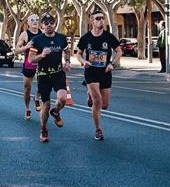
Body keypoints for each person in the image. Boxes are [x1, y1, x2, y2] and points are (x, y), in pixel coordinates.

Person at [76, 9, 122, 141]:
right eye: (98, 18)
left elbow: (119, 51)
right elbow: (78, 54)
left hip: (105, 72)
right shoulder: (86, 38)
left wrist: (112, 63)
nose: (101, 20)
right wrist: (83, 61)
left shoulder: (109, 37)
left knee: (105, 105)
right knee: (97, 101)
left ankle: (90, 94)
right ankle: (98, 129)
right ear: (92, 21)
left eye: (102, 18)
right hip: (91, 72)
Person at [29, 13, 71, 142]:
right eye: (46, 23)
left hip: (58, 73)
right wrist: (41, 55)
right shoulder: (37, 40)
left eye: (51, 23)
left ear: (55, 24)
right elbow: (31, 59)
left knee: (63, 98)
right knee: (45, 105)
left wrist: (67, 61)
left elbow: (67, 50)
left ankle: (56, 111)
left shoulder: (61, 38)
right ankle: (43, 129)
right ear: (42, 25)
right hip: (43, 75)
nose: (49, 25)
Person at [15, 14, 42, 120]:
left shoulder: (42, 34)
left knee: (42, 84)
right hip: (29, 63)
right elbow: (16, 50)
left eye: (37, 20)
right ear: (28, 23)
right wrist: (26, 46)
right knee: (27, 88)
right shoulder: (25, 34)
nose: (35, 21)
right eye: (32, 20)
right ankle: (27, 108)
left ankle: (37, 97)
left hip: (41, 62)